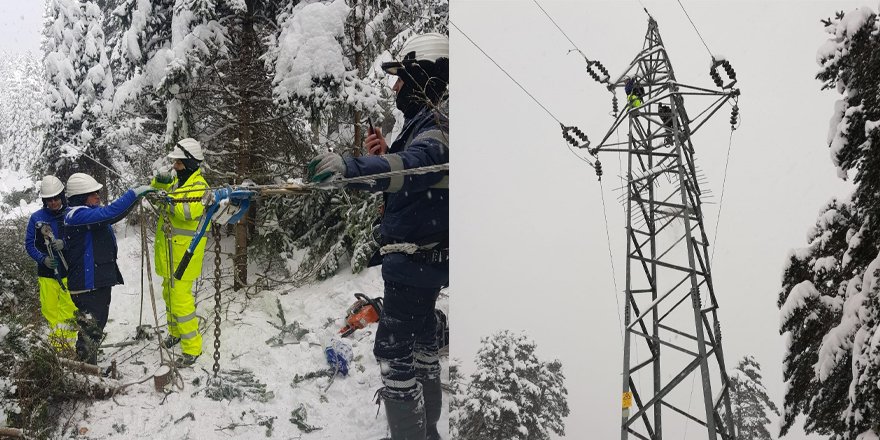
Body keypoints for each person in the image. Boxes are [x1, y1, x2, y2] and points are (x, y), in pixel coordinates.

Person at [308, 32, 449, 440]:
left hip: (417, 263)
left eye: (402, 77)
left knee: (392, 351)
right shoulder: (427, 124)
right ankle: (429, 430)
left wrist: (351, 169)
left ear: (423, 75)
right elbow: (415, 170)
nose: (395, 87)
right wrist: (386, 152)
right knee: (422, 342)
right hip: (420, 261)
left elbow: (415, 166)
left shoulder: (438, 126)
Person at [63, 173, 155, 364]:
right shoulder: (76, 215)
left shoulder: (86, 214)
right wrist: (133, 193)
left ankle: (87, 362)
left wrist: (136, 198)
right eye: (93, 194)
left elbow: (114, 214)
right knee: (91, 328)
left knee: (94, 326)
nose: (98, 196)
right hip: (88, 285)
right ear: (81, 197)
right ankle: (86, 367)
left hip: (95, 282)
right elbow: (109, 214)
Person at [150, 138, 210, 367]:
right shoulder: (178, 183)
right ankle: (175, 332)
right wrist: (160, 181)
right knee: (168, 294)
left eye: (179, 163)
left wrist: (167, 200)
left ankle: (192, 347)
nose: (175, 167)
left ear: (191, 163)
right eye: (174, 163)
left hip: (185, 254)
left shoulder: (200, 186)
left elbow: (187, 211)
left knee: (180, 300)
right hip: (170, 252)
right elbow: (157, 192)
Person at [24, 175, 78, 351]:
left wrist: (65, 244)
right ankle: (57, 347)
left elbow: (81, 239)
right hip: (47, 274)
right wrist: (43, 259)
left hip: (68, 271)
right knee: (50, 310)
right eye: (49, 200)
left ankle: (69, 347)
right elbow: (29, 244)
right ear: (44, 200)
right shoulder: (37, 218)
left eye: (56, 198)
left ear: (62, 196)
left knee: (68, 310)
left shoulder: (72, 214)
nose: (53, 202)